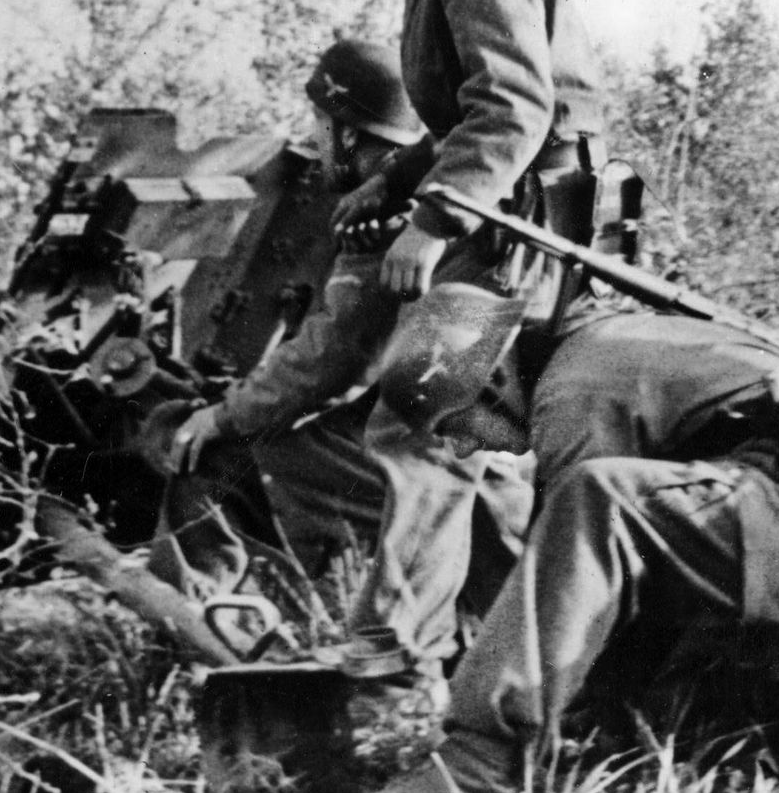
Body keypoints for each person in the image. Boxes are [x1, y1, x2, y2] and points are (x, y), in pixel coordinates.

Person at [314, 300, 779, 793]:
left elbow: (575, 582)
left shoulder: (575, 393)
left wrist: (520, 697)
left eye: (456, 423)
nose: (469, 444)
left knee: (599, 500)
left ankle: (475, 774)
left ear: (494, 377)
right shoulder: (615, 338)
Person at [321, 0, 612, 693]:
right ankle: (525, 657)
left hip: (511, 233)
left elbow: (514, 108)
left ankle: (391, 669)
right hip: (512, 219)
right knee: (472, 443)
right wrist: (397, 176)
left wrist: (433, 220)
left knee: (419, 420)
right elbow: (463, 108)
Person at [147, 40, 528, 658]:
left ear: (346, 133)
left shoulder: (390, 209)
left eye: (321, 127)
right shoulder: (468, 187)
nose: (317, 141)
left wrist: (218, 416)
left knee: (214, 467)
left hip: (451, 469)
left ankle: (210, 655)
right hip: (503, 465)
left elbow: (331, 358)